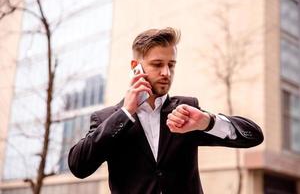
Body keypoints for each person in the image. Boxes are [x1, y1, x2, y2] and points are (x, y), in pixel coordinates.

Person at [68, 27, 264, 194]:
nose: (166, 73)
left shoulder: (186, 110)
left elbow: (253, 136)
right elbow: (79, 166)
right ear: (136, 67)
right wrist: (126, 113)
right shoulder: (107, 118)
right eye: (157, 64)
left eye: (171, 65)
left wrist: (207, 121)